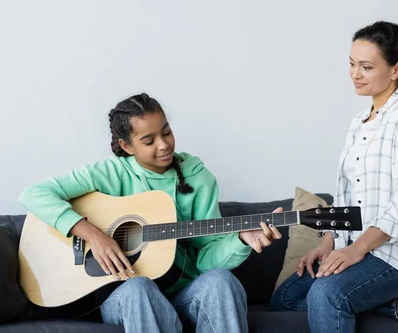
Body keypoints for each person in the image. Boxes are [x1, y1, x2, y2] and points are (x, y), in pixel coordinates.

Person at [19, 93, 283, 333]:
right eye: (149, 141)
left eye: (166, 132)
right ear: (127, 146)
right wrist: (92, 234)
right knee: (138, 287)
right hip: (126, 297)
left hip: (183, 294)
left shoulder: (199, 179)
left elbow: (205, 262)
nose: (164, 145)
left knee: (221, 281)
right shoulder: (109, 173)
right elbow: (33, 194)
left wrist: (238, 240)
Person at [270, 21, 398, 333]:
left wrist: (355, 250)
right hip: (357, 243)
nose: (355, 74)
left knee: (327, 294)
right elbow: (345, 197)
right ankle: (393, 304)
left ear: (397, 69)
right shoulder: (359, 122)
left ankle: (395, 293)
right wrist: (329, 242)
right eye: (352, 64)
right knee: (285, 297)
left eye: (366, 67)